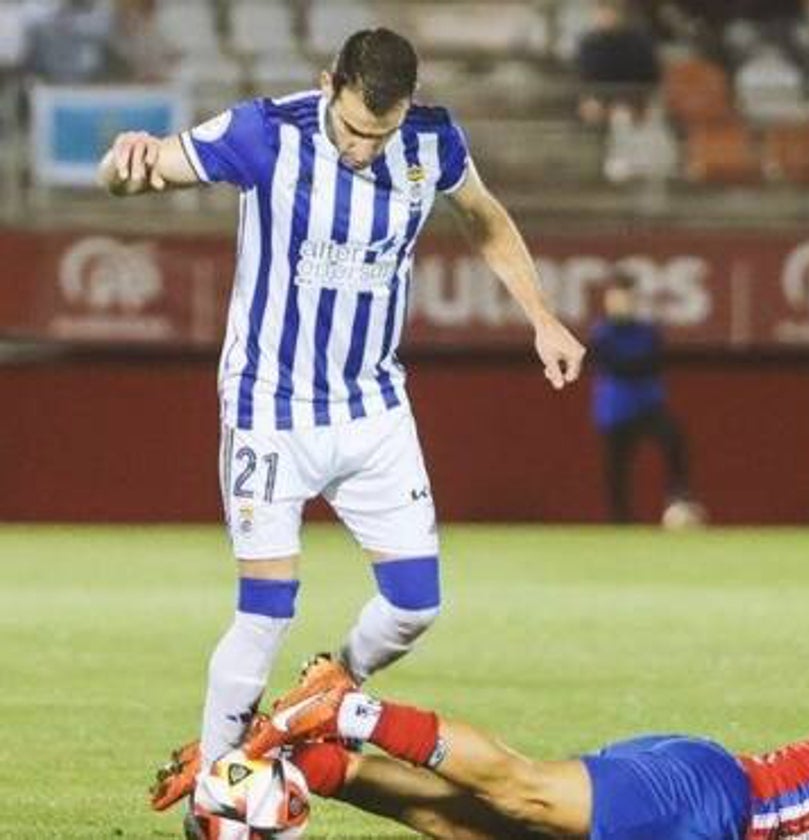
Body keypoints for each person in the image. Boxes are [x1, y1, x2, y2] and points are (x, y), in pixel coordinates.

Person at [97, 27, 586, 814]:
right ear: (329, 85)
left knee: (416, 605)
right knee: (265, 610)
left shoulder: (432, 141)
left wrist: (543, 318)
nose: (365, 148)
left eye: (380, 133)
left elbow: (486, 217)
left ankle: (322, 696)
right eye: (356, 127)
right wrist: (122, 168)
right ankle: (218, 794)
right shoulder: (266, 132)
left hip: (372, 408)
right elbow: (145, 173)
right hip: (270, 409)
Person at [230, 642, 809, 840]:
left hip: (704, 809)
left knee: (485, 831)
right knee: (521, 789)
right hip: (713, 799)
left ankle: (319, 765)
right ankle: (342, 708)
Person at [589, 274, 694, 524]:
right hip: (616, 410)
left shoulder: (647, 331)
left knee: (673, 439)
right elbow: (614, 362)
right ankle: (619, 519)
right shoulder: (602, 332)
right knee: (616, 467)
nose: (621, 303)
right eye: (616, 297)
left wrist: (634, 363)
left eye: (626, 297)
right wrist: (634, 363)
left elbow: (651, 361)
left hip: (648, 405)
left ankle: (678, 497)